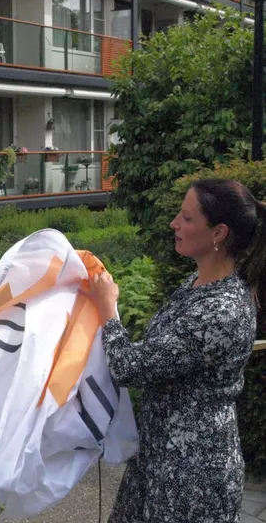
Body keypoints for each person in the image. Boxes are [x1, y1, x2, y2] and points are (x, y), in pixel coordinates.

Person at [89, 179, 266, 523]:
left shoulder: (222, 309)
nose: (174, 223)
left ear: (218, 233)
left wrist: (107, 308)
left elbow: (132, 368)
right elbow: (158, 357)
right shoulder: (195, 286)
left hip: (192, 474)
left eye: (186, 218)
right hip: (159, 459)